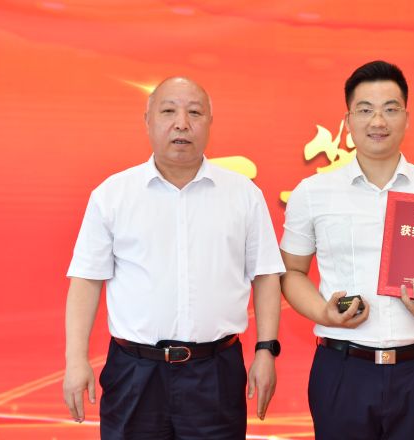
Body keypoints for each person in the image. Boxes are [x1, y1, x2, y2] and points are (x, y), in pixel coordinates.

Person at [63, 77, 285, 440]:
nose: (182, 123)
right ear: (147, 120)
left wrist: (266, 351)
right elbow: (86, 280)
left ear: (209, 121)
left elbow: (266, 276)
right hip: (134, 372)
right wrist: (75, 360)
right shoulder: (113, 195)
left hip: (215, 372)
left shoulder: (243, 194)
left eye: (194, 112)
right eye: (168, 111)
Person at [280, 61, 414, 440]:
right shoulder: (313, 192)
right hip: (342, 369)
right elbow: (291, 272)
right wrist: (322, 312)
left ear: (407, 117)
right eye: (365, 110)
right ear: (348, 120)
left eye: (390, 109)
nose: (378, 121)